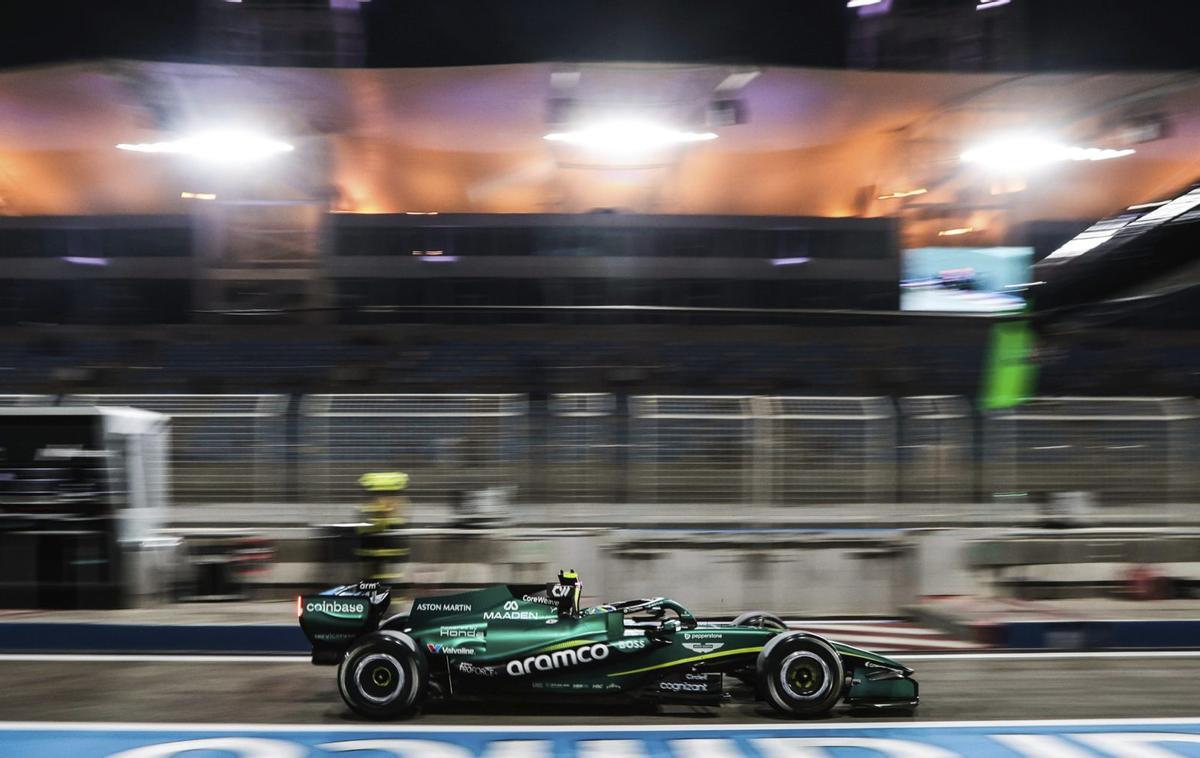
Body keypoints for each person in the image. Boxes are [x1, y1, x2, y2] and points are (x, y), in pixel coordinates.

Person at [355, 472, 409, 594]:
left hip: (385, 550)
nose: (383, 499)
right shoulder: (392, 505)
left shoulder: (382, 506)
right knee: (374, 583)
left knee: (383, 583)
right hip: (375, 551)